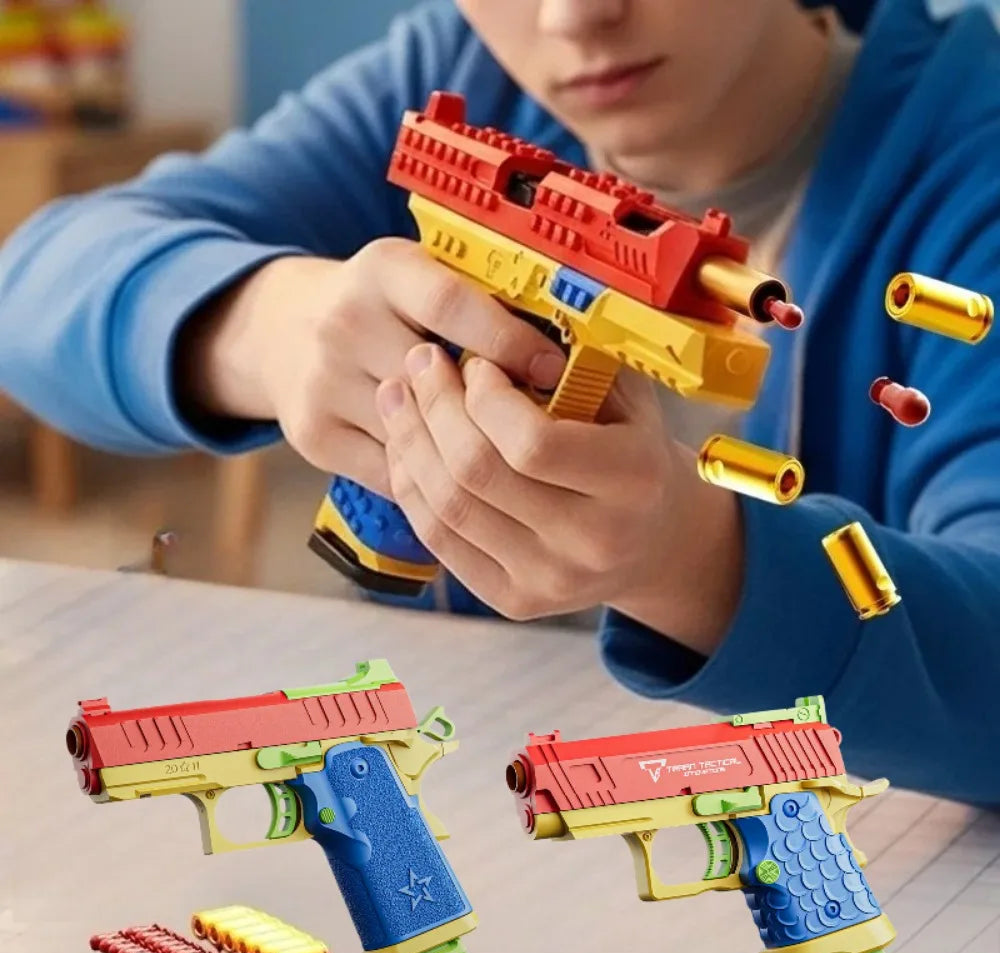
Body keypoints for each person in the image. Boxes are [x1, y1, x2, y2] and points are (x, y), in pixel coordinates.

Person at [0, 0, 997, 805]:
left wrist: (697, 565)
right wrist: (264, 324)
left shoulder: (966, 149)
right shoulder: (456, 76)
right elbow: (33, 286)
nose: (572, 17)